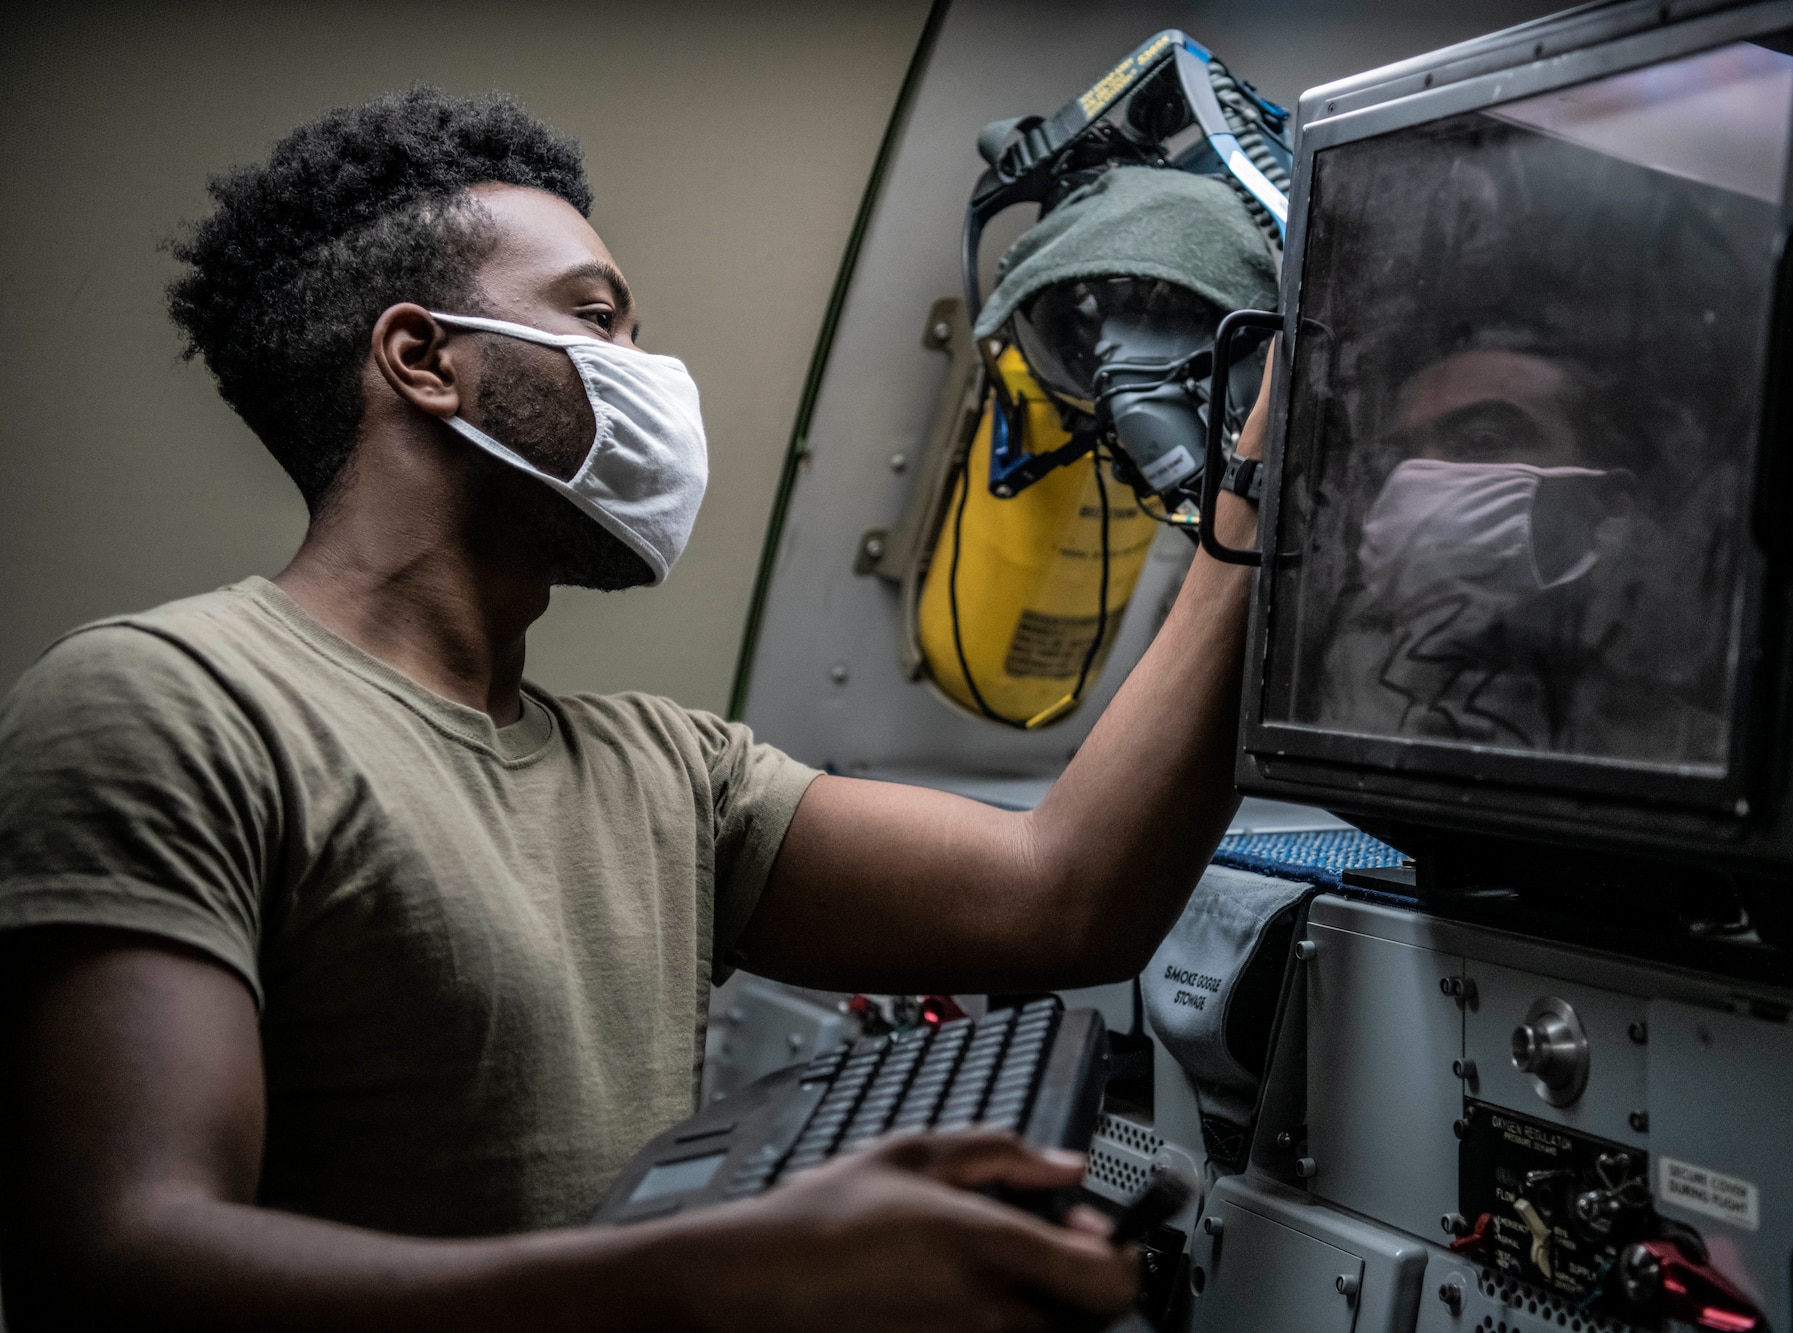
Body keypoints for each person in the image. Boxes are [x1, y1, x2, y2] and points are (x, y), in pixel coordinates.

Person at [0, 88, 1270, 1330]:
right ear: (424, 360)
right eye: (596, 319)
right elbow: (123, 1258)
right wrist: (705, 1278)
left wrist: (1261, 482)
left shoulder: (667, 769)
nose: (651, 377)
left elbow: (1063, 896)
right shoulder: (168, 701)